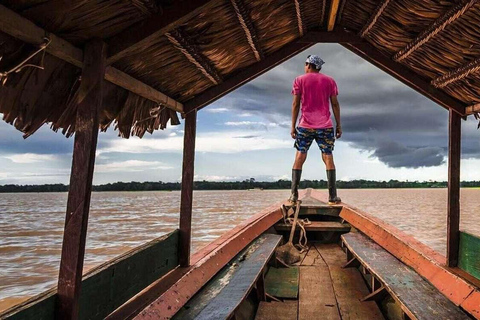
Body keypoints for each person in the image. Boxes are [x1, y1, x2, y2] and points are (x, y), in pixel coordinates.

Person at [289, 54, 342, 205]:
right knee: (328, 156)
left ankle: (293, 195)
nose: (304, 67)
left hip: (305, 125)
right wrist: (338, 124)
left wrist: (293, 126)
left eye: (305, 64)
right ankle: (332, 196)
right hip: (325, 125)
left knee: (300, 156)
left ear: (308, 65)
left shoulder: (299, 80)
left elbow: (295, 104)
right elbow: (335, 104)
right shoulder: (330, 81)